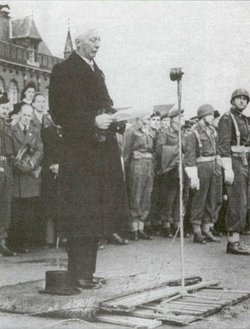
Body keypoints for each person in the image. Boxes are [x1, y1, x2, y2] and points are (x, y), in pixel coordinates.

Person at [49, 27, 129, 291]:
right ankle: (78, 273)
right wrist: (92, 120)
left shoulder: (97, 70)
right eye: (93, 40)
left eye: (100, 40)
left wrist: (119, 120)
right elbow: (59, 113)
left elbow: (105, 104)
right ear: (79, 43)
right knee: (80, 215)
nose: (98, 44)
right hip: (80, 155)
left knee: (96, 213)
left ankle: (88, 272)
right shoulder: (64, 70)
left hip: (100, 154)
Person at [217, 89, 250, 254]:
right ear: (233, 100)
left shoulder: (243, 119)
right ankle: (233, 242)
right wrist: (227, 168)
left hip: (244, 162)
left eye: (245, 99)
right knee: (237, 201)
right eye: (239, 98)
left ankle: (236, 240)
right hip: (234, 163)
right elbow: (223, 145)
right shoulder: (226, 118)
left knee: (244, 202)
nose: (242, 101)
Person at [8, 104, 43, 253]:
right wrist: (22, 166)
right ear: (19, 115)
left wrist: (32, 163)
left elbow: (40, 150)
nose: (26, 118)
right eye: (24, 115)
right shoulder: (11, 130)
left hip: (30, 178)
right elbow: (11, 153)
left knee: (29, 213)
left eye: (29, 116)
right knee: (16, 212)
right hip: (17, 178)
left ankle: (25, 243)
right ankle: (15, 243)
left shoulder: (35, 131)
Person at [185, 104, 221, 244]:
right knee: (199, 200)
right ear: (203, 116)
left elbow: (216, 149)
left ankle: (206, 229)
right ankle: (197, 231)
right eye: (210, 115)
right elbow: (190, 156)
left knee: (211, 199)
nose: (212, 118)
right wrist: (193, 176)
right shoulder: (193, 133)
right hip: (201, 168)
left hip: (213, 167)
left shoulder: (212, 130)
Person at [123, 116, 155, 241]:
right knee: (136, 195)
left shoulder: (148, 131)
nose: (148, 117)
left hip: (149, 164)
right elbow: (126, 151)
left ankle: (141, 227)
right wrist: (126, 168)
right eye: (146, 115)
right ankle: (134, 229)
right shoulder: (131, 131)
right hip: (136, 164)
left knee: (147, 195)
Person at [0, 93, 16, 256]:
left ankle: (2, 241)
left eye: (6, 108)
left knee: (5, 205)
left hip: (7, 167)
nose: (5, 111)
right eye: (3, 108)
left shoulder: (7, 125)